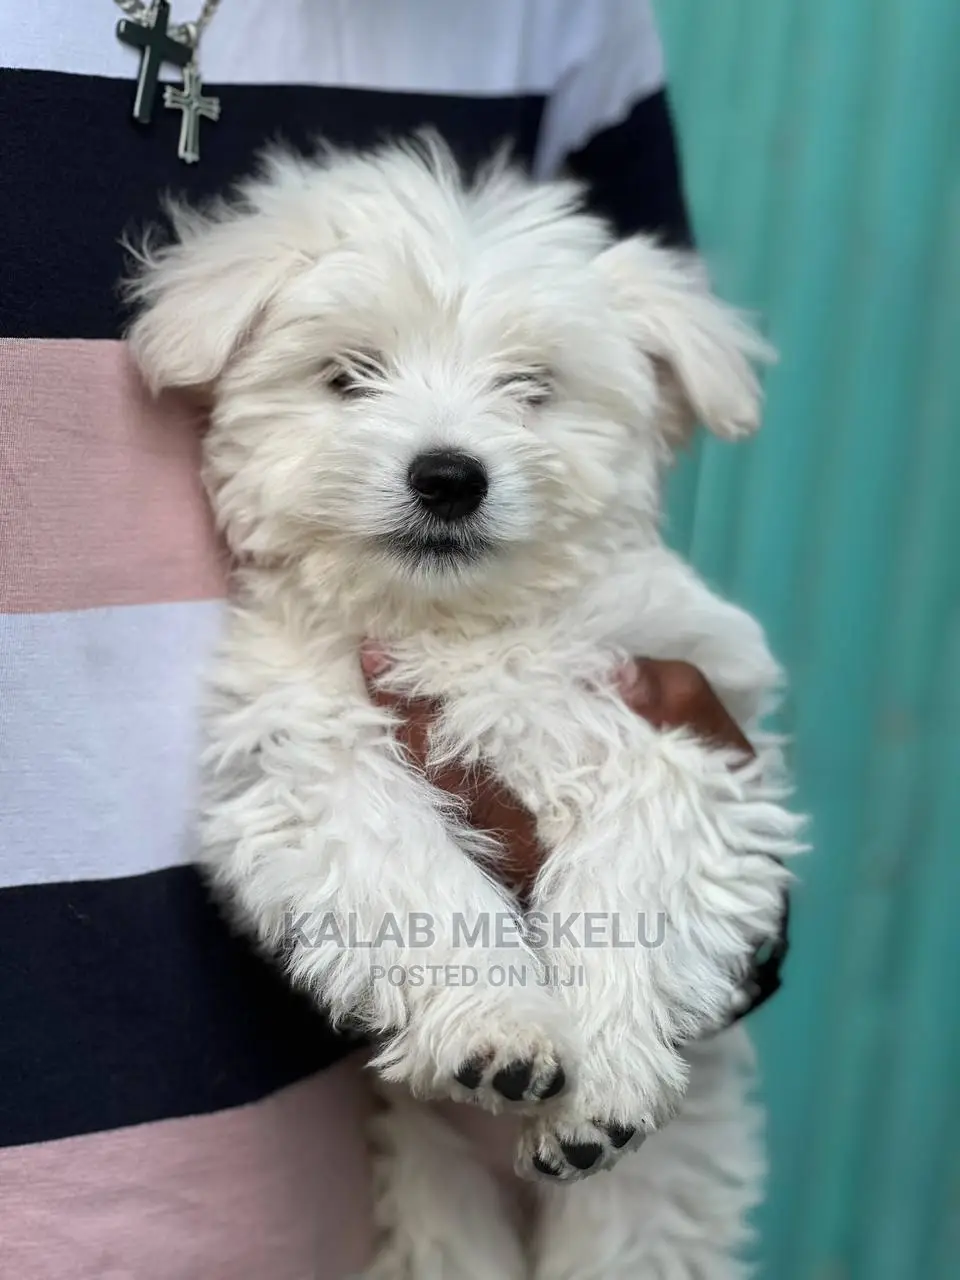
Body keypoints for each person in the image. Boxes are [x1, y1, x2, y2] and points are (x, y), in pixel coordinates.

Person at [0, 3, 781, 1275]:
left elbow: (721, 819)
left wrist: (647, 969)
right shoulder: (294, 678)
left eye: (530, 390)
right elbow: (306, 828)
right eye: (350, 374)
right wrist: (468, 981)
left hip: (465, 1181)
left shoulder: (563, 21)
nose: (448, 452)